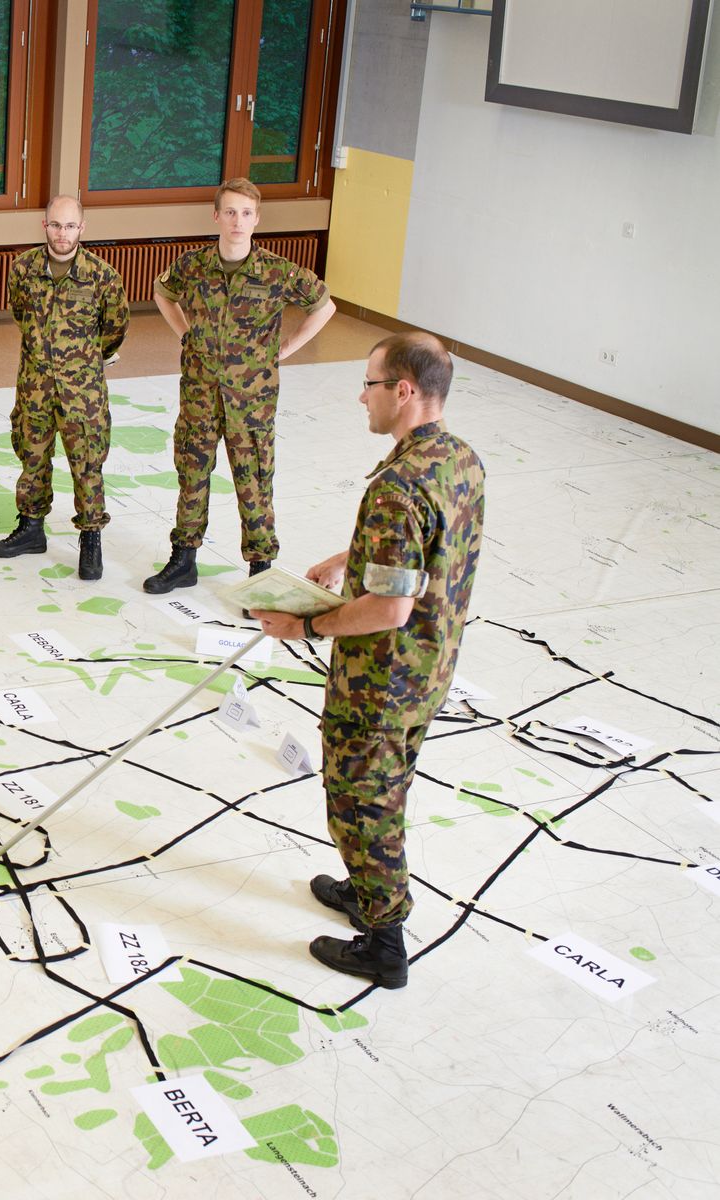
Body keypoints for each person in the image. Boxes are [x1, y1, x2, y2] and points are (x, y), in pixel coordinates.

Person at [251, 332, 485, 989]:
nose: (363, 397)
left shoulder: (398, 486)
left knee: (362, 800)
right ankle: (365, 888)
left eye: (372, 384)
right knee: (389, 785)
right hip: (428, 669)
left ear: (405, 391)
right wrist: (348, 560)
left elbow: (388, 609)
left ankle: (384, 943)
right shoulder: (458, 460)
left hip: (381, 679)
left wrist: (305, 624)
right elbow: (424, 562)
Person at [144, 178, 336, 594]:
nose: (237, 221)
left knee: (254, 483)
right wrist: (185, 333)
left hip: (252, 401)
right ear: (216, 216)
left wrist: (287, 347)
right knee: (192, 474)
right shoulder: (193, 264)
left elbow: (324, 305)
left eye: (246, 213)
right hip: (199, 394)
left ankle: (261, 570)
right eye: (230, 212)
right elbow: (162, 292)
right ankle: (184, 559)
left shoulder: (276, 271)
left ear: (257, 219)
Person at [0, 195, 130, 580]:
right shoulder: (23, 269)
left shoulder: (103, 277)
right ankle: (31, 528)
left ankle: (90, 539)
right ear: (45, 226)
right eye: (55, 225)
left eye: (70, 226)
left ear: (82, 228)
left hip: (82, 392)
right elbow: (21, 314)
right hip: (34, 384)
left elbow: (114, 330)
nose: (62, 233)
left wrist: (80, 361)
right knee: (32, 457)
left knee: (87, 465)